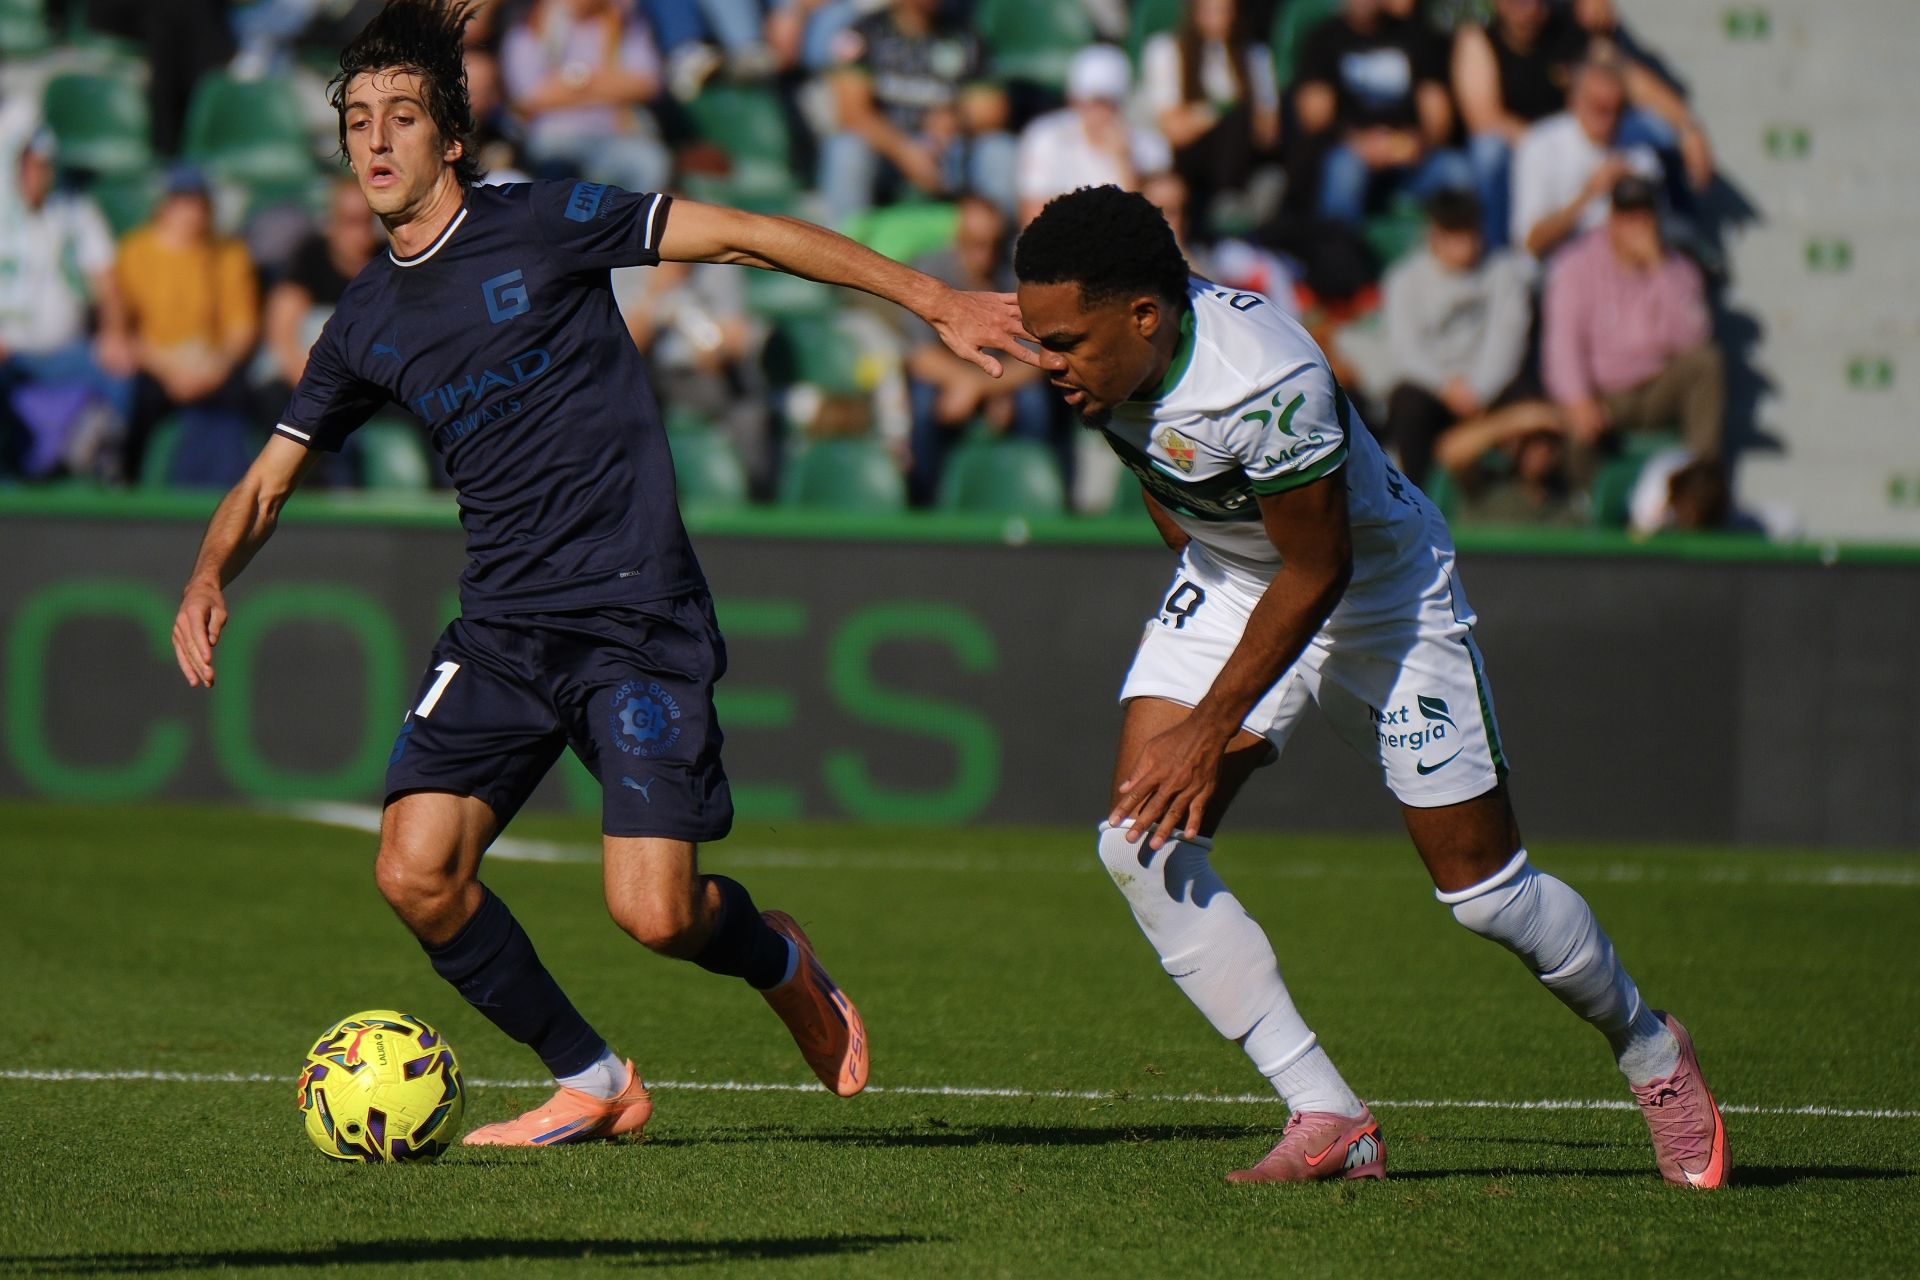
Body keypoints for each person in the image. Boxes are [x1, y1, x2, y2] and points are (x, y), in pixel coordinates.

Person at [169, 0, 1042, 1148]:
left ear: (452, 139)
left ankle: (779, 956)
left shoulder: (541, 220)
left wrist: (934, 299)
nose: (376, 140)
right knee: (415, 870)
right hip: (502, 630)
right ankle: (593, 1077)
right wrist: (206, 571)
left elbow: (743, 237)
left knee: (655, 912)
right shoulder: (364, 319)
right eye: (358, 121)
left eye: (403, 117)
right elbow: (271, 476)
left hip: (632, 613)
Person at [1012, 185, 1726, 1188]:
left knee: (1485, 894)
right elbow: (1168, 475)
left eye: (1067, 343)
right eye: (1040, 339)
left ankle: (1652, 1049)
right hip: (1232, 576)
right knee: (1136, 840)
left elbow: (1319, 569)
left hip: (1375, 590)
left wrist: (1212, 725)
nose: (1050, 361)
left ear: (1146, 315)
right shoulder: (1088, 338)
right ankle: (1327, 1109)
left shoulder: (1262, 380)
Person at [1541, 174, 1723, 483]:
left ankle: (1700, 490)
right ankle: (1582, 510)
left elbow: (1693, 338)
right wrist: (1578, 399)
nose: (1635, 224)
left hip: (1657, 388)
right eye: (1627, 215)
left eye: (1643, 215)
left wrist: (1659, 270)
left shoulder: (1678, 268)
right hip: (1603, 394)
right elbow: (1563, 344)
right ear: (1612, 218)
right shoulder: (1575, 265)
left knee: (1707, 363)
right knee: (1575, 427)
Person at [899, 192, 1056, 504]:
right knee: (922, 401)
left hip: (999, 380)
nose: (984, 257)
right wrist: (966, 383)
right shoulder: (929, 269)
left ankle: (1034, 499)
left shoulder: (1017, 272)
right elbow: (918, 355)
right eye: (974, 244)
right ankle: (924, 500)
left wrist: (982, 388)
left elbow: (1037, 356)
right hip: (951, 379)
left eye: (993, 245)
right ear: (957, 238)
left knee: (1034, 403)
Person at [0, 127, 136, 477]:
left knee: (118, 368)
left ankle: (104, 465)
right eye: (28, 165)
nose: (35, 174)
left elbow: (108, 285)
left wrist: (115, 333)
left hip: (67, 352)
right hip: (10, 352)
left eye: (43, 166)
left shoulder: (77, 212)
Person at [115, 165, 260, 485]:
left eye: (198, 202)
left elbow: (241, 327)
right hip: (156, 365)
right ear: (165, 205)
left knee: (242, 400)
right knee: (137, 398)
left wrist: (217, 366)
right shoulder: (134, 251)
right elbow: (123, 329)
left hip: (210, 363)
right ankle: (130, 483)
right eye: (183, 201)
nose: (191, 212)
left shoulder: (228, 254)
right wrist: (167, 369)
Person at [1381, 188, 1532, 488]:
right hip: (1434, 391)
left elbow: (1507, 342)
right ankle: (1414, 499)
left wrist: (1479, 389)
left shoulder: (1505, 273)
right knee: (1407, 401)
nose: (1466, 244)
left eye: (1471, 232)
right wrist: (1446, 387)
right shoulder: (1404, 279)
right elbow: (1406, 351)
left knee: (1527, 398)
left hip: (1490, 389)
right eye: (1455, 234)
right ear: (1434, 235)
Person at [821, 0, 1015, 222]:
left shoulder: (965, 37)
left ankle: (1006, 249)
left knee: (1000, 151)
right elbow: (852, 113)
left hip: (948, 152)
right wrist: (906, 152)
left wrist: (958, 119)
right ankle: (843, 241)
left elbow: (993, 111)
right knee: (846, 149)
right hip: (886, 154)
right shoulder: (864, 32)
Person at [1293, 0, 1469, 228]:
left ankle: (1471, 256)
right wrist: (1359, 144)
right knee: (1344, 169)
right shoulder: (1324, 39)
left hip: (1411, 160)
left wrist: (1420, 143)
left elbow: (1438, 113)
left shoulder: (1414, 35)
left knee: (1457, 171)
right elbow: (1313, 118)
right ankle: (1337, 253)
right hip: (1350, 153)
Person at [1138, 0, 1282, 236]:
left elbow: (1268, 135)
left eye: (1225, 12)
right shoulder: (1167, 50)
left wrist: (1226, 111)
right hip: (1185, 162)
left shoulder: (1254, 55)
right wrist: (1221, 109)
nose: (1218, 20)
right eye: (1209, 11)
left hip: (1240, 162)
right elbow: (1175, 130)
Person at [498, 0, 672, 194]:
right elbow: (528, 97)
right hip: (557, 135)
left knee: (651, 162)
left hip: (616, 134)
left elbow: (647, 84)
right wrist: (607, 85)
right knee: (554, 158)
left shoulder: (624, 23)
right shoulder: (531, 27)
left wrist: (576, 82)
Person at [1509, 54, 1660, 260]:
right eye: (1599, 108)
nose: (1609, 120)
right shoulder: (1540, 145)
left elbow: (1652, 240)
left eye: (1617, 109)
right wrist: (1589, 193)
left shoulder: (1640, 152)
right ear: (1573, 100)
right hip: (1559, 271)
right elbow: (1531, 243)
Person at [1015, 45, 1170, 229]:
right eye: (1088, 101)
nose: (1096, 113)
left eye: (1105, 103)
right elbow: (1033, 218)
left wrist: (1123, 162)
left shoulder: (1149, 147)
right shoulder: (1045, 137)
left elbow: (1145, 224)